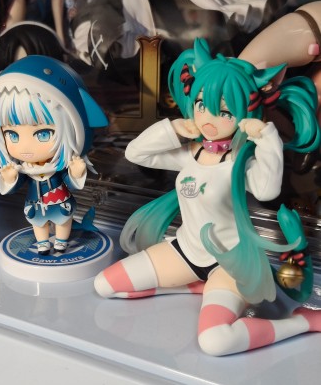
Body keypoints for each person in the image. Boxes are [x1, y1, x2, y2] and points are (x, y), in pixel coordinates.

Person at [94, 38, 321, 356]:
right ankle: (195, 287)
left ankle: (302, 323)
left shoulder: (240, 162)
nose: (210, 119)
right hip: (184, 253)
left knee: (215, 341)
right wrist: (174, 129)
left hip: (230, 265)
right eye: (202, 105)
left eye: (224, 111)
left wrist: (267, 137)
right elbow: (136, 153)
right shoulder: (190, 153)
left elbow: (267, 190)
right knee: (105, 285)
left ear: (244, 113)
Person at [0, 55, 107, 254]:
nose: (26, 146)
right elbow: (15, 185)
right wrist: (10, 179)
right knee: (38, 223)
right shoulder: (25, 169)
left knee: (63, 220)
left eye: (43, 134)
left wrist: (76, 173)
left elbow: (70, 182)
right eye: (12, 135)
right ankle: (42, 243)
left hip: (60, 202)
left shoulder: (58, 167)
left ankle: (61, 241)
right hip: (35, 205)